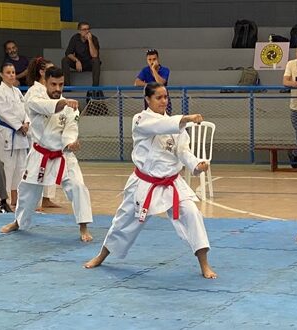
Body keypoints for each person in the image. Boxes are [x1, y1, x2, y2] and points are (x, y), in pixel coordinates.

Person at [84, 82, 217, 279]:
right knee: (123, 221)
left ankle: (204, 264)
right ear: (148, 99)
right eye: (159, 97)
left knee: (192, 214)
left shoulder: (177, 126)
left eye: (166, 97)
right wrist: (185, 118)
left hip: (171, 183)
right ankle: (101, 256)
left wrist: (196, 165)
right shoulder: (140, 120)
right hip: (144, 183)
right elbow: (159, 125)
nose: (164, 101)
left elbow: (183, 151)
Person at [0, 67, 93, 242]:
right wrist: (63, 103)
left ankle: (83, 227)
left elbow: (70, 130)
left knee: (78, 187)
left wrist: (70, 143)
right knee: (27, 189)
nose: (58, 88)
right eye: (53, 84)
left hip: (62, 155)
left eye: (61, 84)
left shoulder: (70, 107)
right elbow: (45, 107)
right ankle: (19, 222)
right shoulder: (35, 99)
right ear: (46, 83)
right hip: (40, 153)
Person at [0, 62, 30, 208]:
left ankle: (17, 199)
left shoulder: (17, 91)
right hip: (7, 133)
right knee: (6, 168)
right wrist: (19, 126)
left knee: (21, 168)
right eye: (8, 72)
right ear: (1, 75)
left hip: (20, 134)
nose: (12, 75)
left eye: (13, 72)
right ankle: (3, 201)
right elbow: (3, 112)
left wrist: (26, 123)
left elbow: (25, 110)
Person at [25, 57, 61, 209]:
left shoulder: (50, 90)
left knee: (51, 169)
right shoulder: (34, 91)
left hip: (52, 137)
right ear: (42, 72)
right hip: (38, 136)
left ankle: (47, 198)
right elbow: (29, 109)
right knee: (35, 172)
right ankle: (34, 202)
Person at [61, 22, 101, 86]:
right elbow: (68, 53)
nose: (87, 31)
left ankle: (95, 88)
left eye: (88, 29)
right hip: (79, 64)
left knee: (96, 61)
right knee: (65, 60)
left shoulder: (94, 38)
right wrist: (77, 60)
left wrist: (90, 41)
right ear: (79, 31)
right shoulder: (75, 38)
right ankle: (67, 86)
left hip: (89, 64)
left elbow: (94, 55)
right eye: (84, 29)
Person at [134, 49, 172, 114]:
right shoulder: (145, 70)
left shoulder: (165, 70)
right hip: (150, 102)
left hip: (163, 101)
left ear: (158, 59)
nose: (152, 62)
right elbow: (137, 82)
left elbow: (160, 83)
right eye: (149, 60)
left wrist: (153, 70)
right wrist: (151, 85)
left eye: (154, 59)